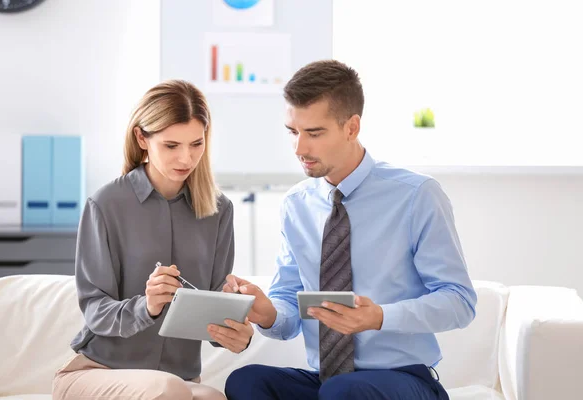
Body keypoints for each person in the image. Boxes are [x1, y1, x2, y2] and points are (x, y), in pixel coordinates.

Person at [223, 60, 477, 400]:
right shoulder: (297, 204)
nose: (300, 149)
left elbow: (460, 302)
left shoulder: (416, 195)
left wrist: (379, 317)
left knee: (344, 391)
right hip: (327, 381)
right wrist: (267, 313)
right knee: (246, 381)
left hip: (404, 379)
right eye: (293, 132)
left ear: (352, 127)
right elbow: (288, 305)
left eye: (314, 133)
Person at [52, 80, 253, 400]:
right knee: (167, 388)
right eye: (171, 145)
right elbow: (95, 311)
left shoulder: (218, 210)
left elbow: (212, 304)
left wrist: (233, 332)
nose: (186, 158)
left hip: (176, 380)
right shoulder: (106, 204)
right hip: (100, 372)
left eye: (196, 144)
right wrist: (147, 306)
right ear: (142, 138)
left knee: (211, 397)